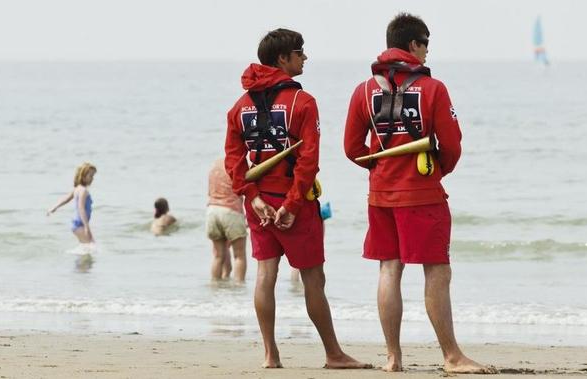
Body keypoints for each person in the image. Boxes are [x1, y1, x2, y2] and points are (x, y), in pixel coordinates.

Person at [342, 13, 497, 374]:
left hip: (380, 195)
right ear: (414, 45)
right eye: (426, 44)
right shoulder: (433, 88)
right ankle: (452, 356)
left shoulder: (363, 90)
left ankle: (393, 358)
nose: (428, 52)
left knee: (388, 269)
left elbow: (351, 148)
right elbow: (453, 144)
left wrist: (380, 170)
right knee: (437, 271)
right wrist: (435, 170)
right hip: (423, 194)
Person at [224, 28, 369, 370]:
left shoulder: (239, 107)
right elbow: (308, 162)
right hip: (295, 204)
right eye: (300, 52)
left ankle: (271, 355)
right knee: (313, 278)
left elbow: (234, 161)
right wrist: (290, 205)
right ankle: (334, 354)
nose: (305, 57)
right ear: (282, 59)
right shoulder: (303, 102)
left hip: (258, 205)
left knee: (265, 273)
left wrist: (253, 198)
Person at [206, 158, 248, 281]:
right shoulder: (237, 164)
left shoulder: (214, 165)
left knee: (218, 256)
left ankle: (215, 288)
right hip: (231, 210)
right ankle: (239, 289)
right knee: (239, 256)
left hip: (212, 210)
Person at [47, 163, 97, 244]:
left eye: (93, 176)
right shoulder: (83, 191)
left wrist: (54, 207)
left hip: (77, 225)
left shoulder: (77, 188)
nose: (92, 178)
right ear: (83, 176)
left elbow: (66, 199)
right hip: (80, 225)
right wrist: (87, 227)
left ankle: (78, 256)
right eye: (90, 176)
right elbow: (81, 208)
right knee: (92, 246)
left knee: (87, 248)